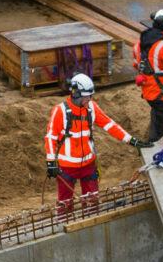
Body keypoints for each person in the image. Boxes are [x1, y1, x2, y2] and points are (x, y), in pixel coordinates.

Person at [44, 72, 132, 206]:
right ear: (76, 94)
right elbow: (50, 137)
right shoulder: (60, 111)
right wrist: (51, 161)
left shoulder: (91, 107)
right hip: (67, 168)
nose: (90, 99)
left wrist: (130, 140)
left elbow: (109, 125)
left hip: (88, 165)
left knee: (92, 202)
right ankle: (63, 224)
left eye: (91, 96)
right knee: (65, 204)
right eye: (87, 96)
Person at [136, 6, 163, 144]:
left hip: (148, 91)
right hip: (161, 93)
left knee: (157, 115)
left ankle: (153, 140)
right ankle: (157, 147)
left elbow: (136, 62)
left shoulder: (141, 43)